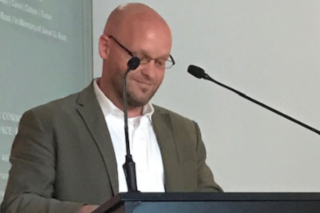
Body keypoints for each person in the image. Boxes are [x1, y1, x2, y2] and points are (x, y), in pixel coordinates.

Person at [1, 3, 222, 213]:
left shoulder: (185, 132)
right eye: (140, 58)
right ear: (105, 47)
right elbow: (18, 204)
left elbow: (212, 203)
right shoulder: (49, 122)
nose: (151, 73)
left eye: (160, 62)